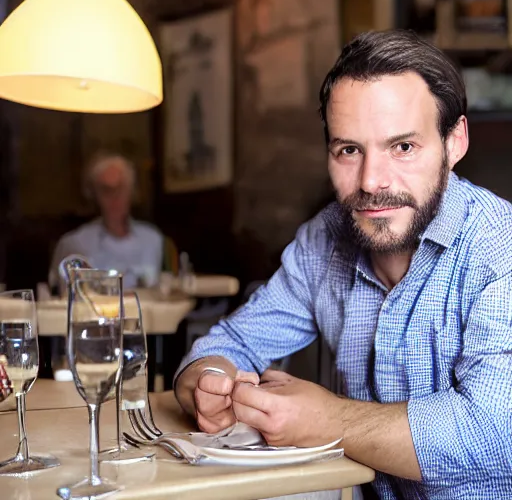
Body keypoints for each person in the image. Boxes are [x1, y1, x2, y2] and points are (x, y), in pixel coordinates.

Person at [174, 29, 512, 499]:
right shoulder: (323, 239)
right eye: (349, 150)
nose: (372, 181)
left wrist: (326, 419)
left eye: (403, 147)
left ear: (454, 143)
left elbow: (495, 434)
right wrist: (209, 385)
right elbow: (227, 343)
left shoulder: (501, 248)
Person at [49, 151, 163, 291]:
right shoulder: (75, 244)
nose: (114, 197)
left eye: (120, 188)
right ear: (94, 194)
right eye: (106, 190)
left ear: (131, 191)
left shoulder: (152, 239)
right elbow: (65, 299)